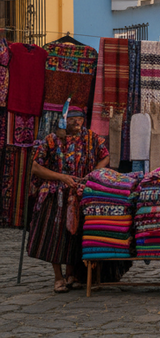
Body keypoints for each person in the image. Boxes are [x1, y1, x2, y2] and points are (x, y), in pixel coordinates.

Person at [28, 106, 110, 293]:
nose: (76, 122)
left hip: (80, 191)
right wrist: (61, 177)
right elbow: (35, 168)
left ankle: (72, 274)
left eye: (79, 118)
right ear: (65, 120)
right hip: (55, 191)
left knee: (76, 235)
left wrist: (92, 174)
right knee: (55, 235)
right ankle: (58, 277)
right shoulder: (52, 140)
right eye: (72, 118)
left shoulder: (91, 138)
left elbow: (105, 157)